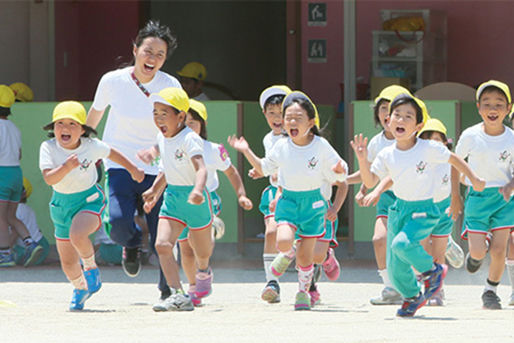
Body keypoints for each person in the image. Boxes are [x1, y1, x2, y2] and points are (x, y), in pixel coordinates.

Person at [351, 92, 485, 317]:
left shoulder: (427, 148)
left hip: (424, 209)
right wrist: (363, 161)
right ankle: (412, 296)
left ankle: (433, 270)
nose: (401, 120)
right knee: (395, 266)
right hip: (398, 210)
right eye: (397, 115)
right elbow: (370, 180)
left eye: (408, 117)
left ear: (418, 125)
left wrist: (474, 179)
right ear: (388, 120)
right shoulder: (386, 154)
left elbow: (453, 159)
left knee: (401, 245)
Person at [86, 20, 181, 300]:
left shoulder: (170, 85)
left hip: (158, 169)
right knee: (117, 224)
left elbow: (177, 127)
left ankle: (169, 290)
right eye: (148, 51)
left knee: (161, 235)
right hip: (118, 164)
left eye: (160, 55)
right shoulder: (112, 81)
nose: (152, 59)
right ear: (135, 49)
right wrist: (85, 150)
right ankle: (130, 244)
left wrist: (155, 148)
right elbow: (94, 116)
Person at [228, 91, 348, 310]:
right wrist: (246, 151)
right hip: (289, 200)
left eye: (298, 118)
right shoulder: (281, 146)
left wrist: (340, 170)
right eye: (288, 118)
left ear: (311, 122)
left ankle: (302, 292)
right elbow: (264, 168)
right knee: (282, 241)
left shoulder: (320, 145)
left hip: (314, 204)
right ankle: (288, 252)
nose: (291, 122)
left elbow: (341, 173)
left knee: (306, 257)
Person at [39, 101, 144, 311]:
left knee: (77, 235)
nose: (65, 128)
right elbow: (49, 179)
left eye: (72, 124)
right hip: (60, 206)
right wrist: (67, 167)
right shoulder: (48, 148)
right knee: (67, 263)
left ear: (83, 130)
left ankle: (90, 267)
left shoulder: (92, 146)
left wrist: (133, 169)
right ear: (53, 128)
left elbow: (112, 153)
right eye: (60, 123)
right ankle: (80, 288)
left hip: (89, 201)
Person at [141, 87, 213, 312]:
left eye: (164, 114)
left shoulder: (190, 138)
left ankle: (204, 271)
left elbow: (201, 169)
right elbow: (166, 169)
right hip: (172, 198)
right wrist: (154, 190)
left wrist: (198, 191)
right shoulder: (161, 138)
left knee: (201, 253)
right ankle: (178, 294)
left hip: (195, 200)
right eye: (155, 113)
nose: (158, 119)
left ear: (181, 117)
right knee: (162, 245)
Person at [179, 99, 253, 305]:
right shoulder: (173, 147)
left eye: (193, 122)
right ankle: (193, 286)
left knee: (198, 241)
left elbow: (231, 172)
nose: (187, 126)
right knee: (185, 247)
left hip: (207, 198)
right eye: (183, 121)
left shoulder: (212, 149)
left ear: (203, 125)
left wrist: (241, 195)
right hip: (181, 200)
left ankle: (203, 268)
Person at [453, 80, 514, 310]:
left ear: (508, 109)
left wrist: (510, 186)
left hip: (504, 200)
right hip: (477, 198)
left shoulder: (512, 138)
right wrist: (456, 196)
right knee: (478, 251)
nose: (493, 109)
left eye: (499, 104)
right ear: (478, 108)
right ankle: (477, 253)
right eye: (487, 103)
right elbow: (454, 162)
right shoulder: (470, 136)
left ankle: (491, 291)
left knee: (500, 250)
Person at [353, 85, 410, 305]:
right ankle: (390, 288)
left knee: (409, 244)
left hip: (411, 197)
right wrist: (363, 189)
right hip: (386, 198)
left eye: (394, 109)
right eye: (384, 108)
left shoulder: (413, 140)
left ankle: (416, 285)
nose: (388, 114)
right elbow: (372, 171)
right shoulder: (376, 142)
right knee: (379, 239)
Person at [246, 85, 291, 304]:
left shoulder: (296, 137)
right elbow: (271, 165)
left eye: (282, 113)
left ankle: (310, 279)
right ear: (264, 114)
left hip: (295, 193)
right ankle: (272, 281)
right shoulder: (267, 139)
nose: (277, 118)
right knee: (271, 231)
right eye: (272, 113)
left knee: (302, 241)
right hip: (274, 192)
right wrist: (260, 170)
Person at [0, 84, 42, 267]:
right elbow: (19, 155)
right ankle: (30, 243)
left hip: (2, 173)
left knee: (0, 218)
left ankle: (5, 255)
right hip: (16, 173)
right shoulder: (14, 128)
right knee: (11, 216)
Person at [9, 177, 50, 266]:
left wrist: (6, 249)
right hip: (41, 244)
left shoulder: (17, 209)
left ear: (23, 194)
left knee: (15, 256)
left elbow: (14, 232)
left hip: (35, 247)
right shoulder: (25, 208)